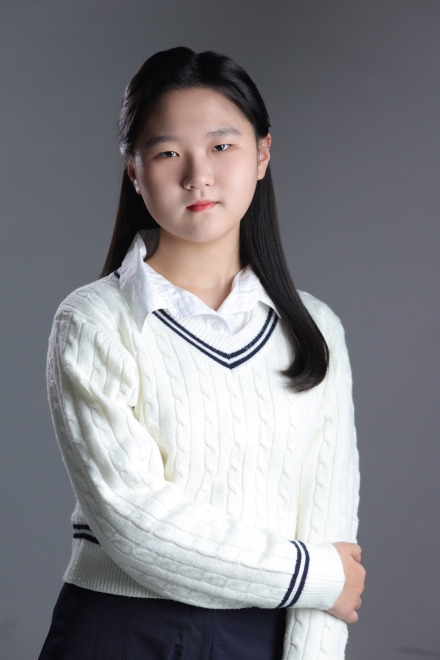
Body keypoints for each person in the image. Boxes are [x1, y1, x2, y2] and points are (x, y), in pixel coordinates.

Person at [39, 47, 365, 660]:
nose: (198, 175)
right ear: (134, 171)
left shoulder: (314, 328)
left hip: (265, 634)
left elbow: (330, 525)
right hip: (121, 629)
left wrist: (317, 614)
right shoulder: (93, 320)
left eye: (221, 145)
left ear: (262, 154)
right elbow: (133, 521)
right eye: (168, 153)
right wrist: (313, 576)